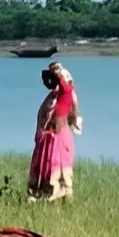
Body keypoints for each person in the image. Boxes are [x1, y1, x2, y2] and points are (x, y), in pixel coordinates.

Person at [29, 63, 82, 201]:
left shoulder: (67, 93)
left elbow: (65, 87)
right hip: (48, 138)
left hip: (60, 137)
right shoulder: (52, 97)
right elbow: (42, 115)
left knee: (59, 167)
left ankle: (59, 194)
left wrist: (58, 73)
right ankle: (42, 193)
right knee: (45, 167)